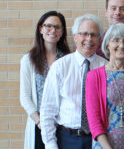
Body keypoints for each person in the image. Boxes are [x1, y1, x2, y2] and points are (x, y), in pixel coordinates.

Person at [40, 14, 107, 149]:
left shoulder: (106, 67)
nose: (89, 39)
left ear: (99, 39)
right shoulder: (60, 66)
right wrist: (50, 144)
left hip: (99, 139)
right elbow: (48, 109)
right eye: (84, 34)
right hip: (67, 138)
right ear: (75, 37)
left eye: (94, 35)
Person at [20, 11, 71, 149]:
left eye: (57, 27)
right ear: (41, 29)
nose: (53, 30)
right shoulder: (29, 60)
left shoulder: (68, 59)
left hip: (63, 126)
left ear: (62, 32)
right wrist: (39, 122)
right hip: (38, 124)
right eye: (48, 26)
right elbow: (25, 97)